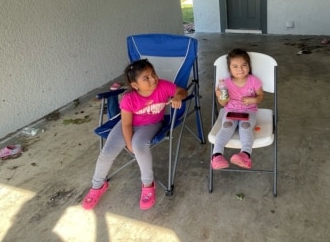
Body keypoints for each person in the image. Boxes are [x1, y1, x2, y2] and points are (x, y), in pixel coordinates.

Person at [82, 59, 186, 210]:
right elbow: (126, 124)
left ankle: (148, 184)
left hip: (151, 124)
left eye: (153, 74)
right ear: (135, 85)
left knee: (140, 145)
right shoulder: (129, 99)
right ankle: (97, 186)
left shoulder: (163, 86)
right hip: (127, 124)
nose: (153, 79)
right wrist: (128, 143)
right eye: (146, 78)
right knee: (107, 152)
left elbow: (182, 90)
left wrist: (178, 97)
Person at [211, 48, 265, 170]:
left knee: (245, 127)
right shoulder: (224, 83)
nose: (240, 69)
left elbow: (261, 96)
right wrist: (220, 97)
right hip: (230, 111)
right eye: (235, 66)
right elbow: (223, 104)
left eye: (244, 65)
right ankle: (217, 155)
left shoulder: (254, 80)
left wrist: (253, 100)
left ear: (249, 66)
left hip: (249, 111)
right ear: (229, 68)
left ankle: (245, 154)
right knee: (227, 126)